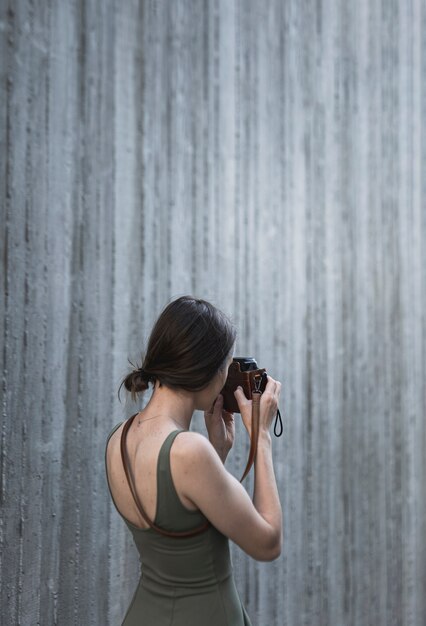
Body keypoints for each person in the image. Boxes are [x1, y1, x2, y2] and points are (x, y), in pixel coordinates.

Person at [104, 295, 282, 625]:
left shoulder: (118, 438)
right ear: (207, 370)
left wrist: (218, 453)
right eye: (226, 367)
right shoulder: (189, 452)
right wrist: (262, 437)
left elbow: (179, 520)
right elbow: (268, 544)